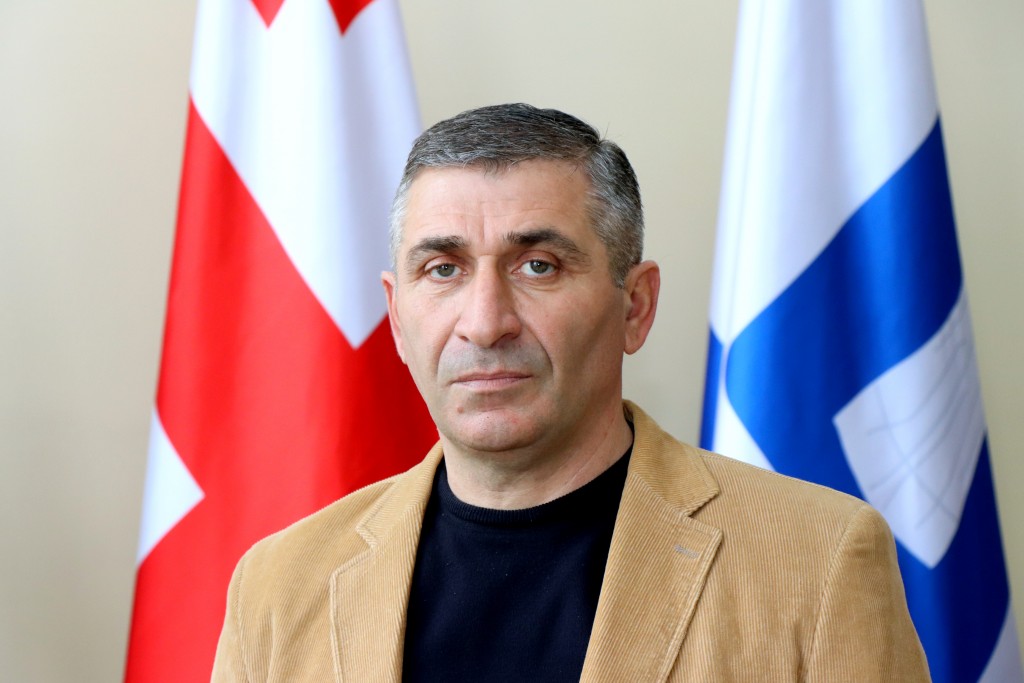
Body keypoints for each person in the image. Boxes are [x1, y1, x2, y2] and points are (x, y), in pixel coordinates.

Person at [211, 104, 930, 682]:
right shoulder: (278, 586)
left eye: (538, 265)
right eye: (443, 269)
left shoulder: (820, 561)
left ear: (636, 306)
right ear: (397, 317)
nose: (485, 322)